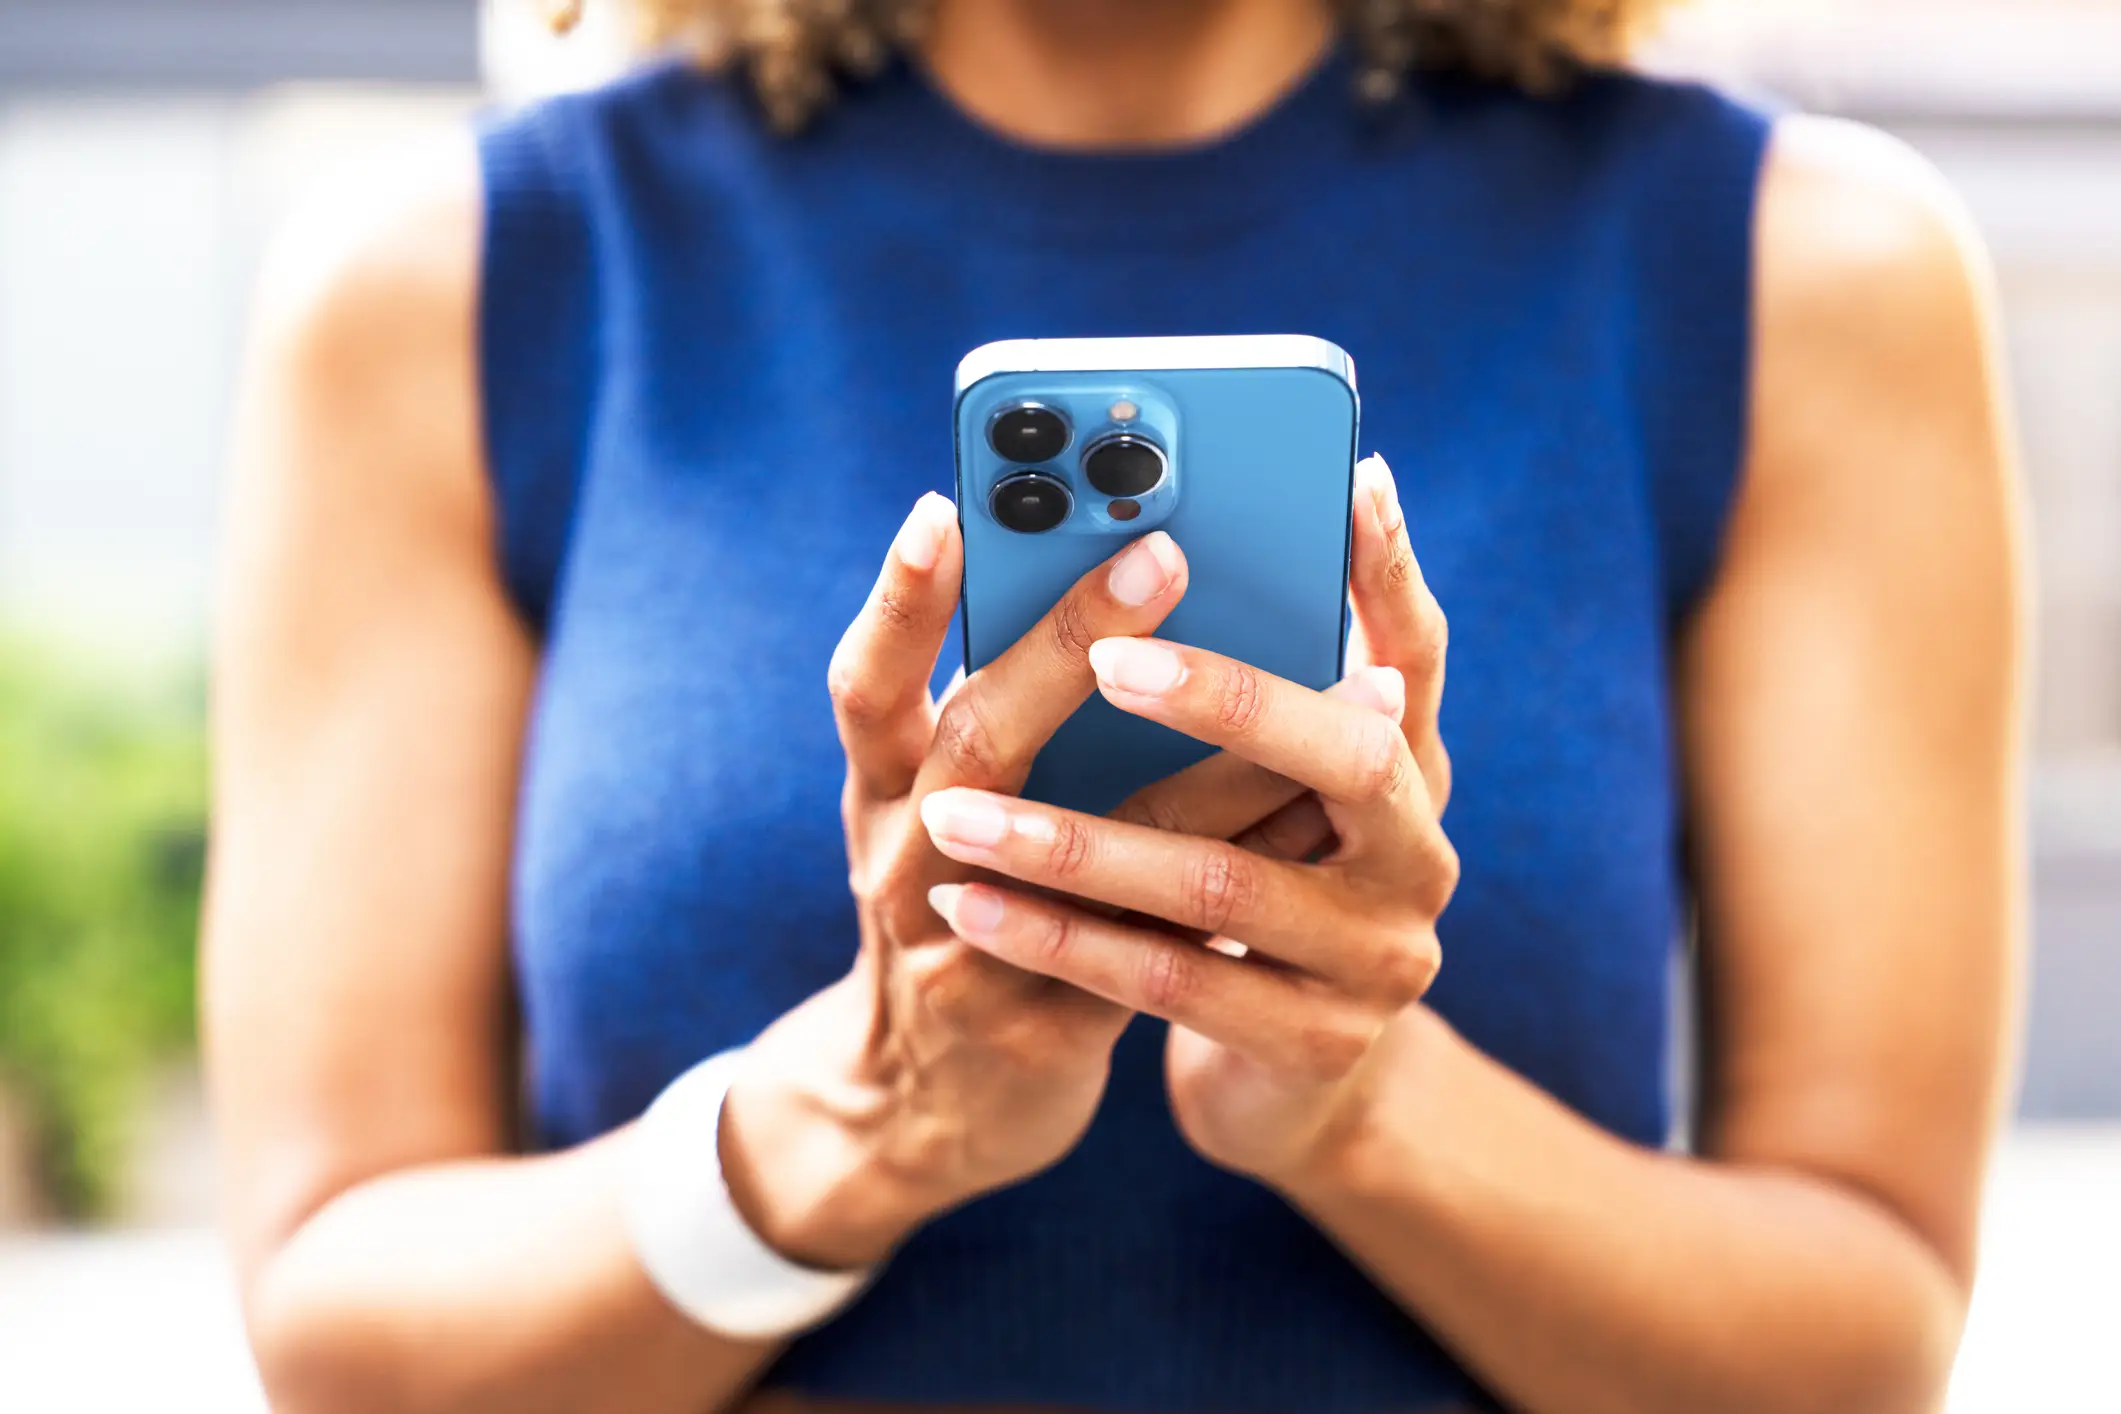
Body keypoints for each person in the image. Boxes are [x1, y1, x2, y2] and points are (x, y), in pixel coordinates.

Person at [202, 2, 2024, 1411]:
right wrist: (861, 1116)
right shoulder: (459, 284)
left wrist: (1362, 1105)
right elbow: (343, 1333)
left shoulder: (1796, 270)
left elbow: (1858, 1341)